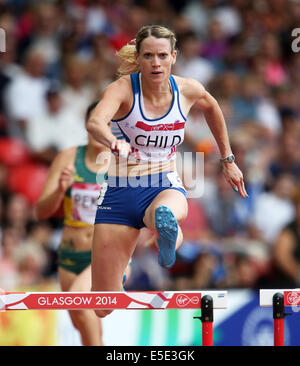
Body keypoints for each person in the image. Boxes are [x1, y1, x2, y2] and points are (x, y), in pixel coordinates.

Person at [87, 25, 247, 318]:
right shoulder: (122, 89)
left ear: (173, 56)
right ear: (139, 58)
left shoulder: (187, 89)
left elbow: (212, 107)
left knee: (165, 214)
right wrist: (110, 140)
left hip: (163, 183)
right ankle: (128, 266)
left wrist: (228, 159)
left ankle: (165, 231)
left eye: (162, 55)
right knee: (102, 307)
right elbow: (95, 122)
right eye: (148, 56)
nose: (156, 63)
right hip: (119, 193)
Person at [35, 101, 110, 346]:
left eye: (108, 124)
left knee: (79, 303)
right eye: (97, 125)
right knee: (85, 327)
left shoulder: (123, 163)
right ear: (88, 126)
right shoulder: (68, 158)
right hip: (69, 257)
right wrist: (59, 191)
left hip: (107, 256)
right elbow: (41, 212)